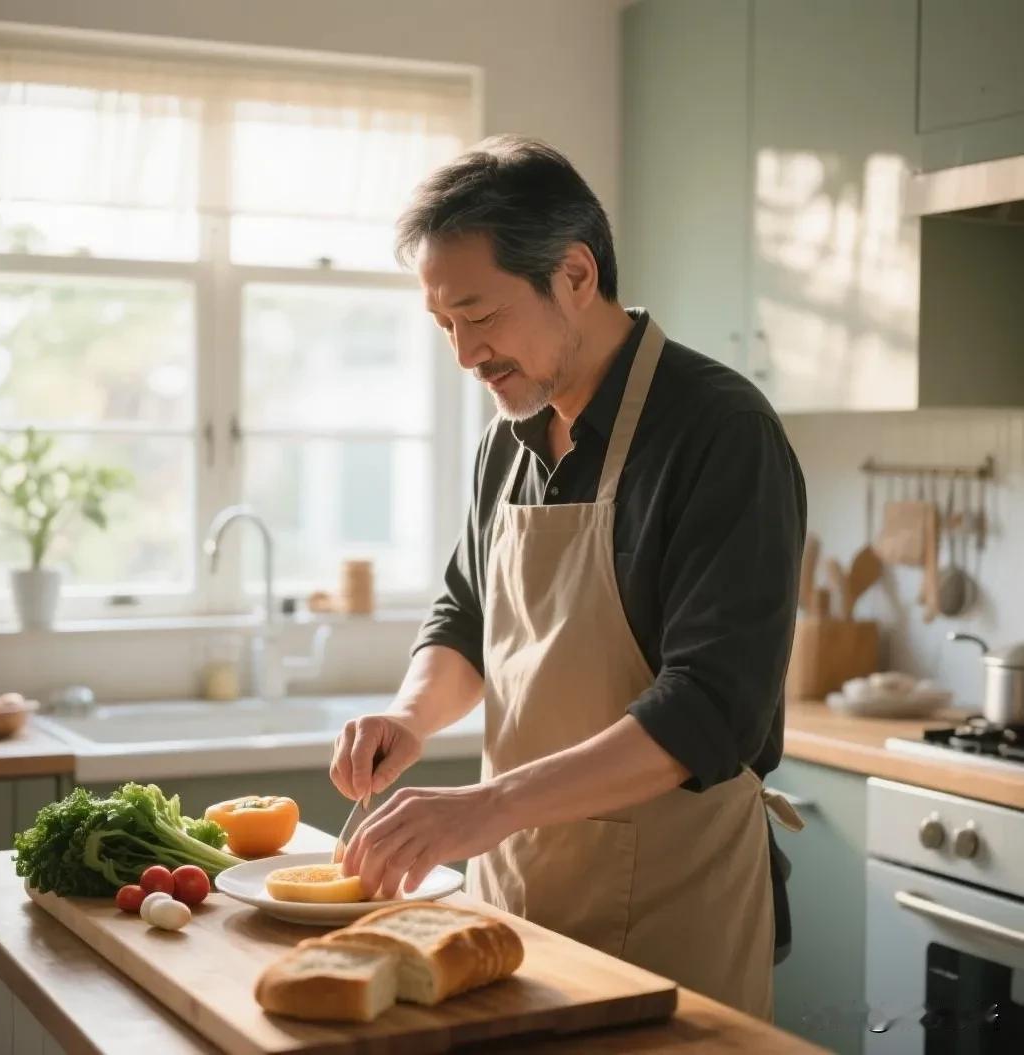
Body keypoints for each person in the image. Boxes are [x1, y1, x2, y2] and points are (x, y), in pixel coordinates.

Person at [330, 135, 806, 1019]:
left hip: (676, 911)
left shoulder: (720, 432)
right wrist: (407, 714)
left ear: (575, 274)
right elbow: (466, 618)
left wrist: (484, 806)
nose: (466, 354)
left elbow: (709, 709)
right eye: (444, 325)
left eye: (481, 314)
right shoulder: (504, 443)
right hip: (512, 897)